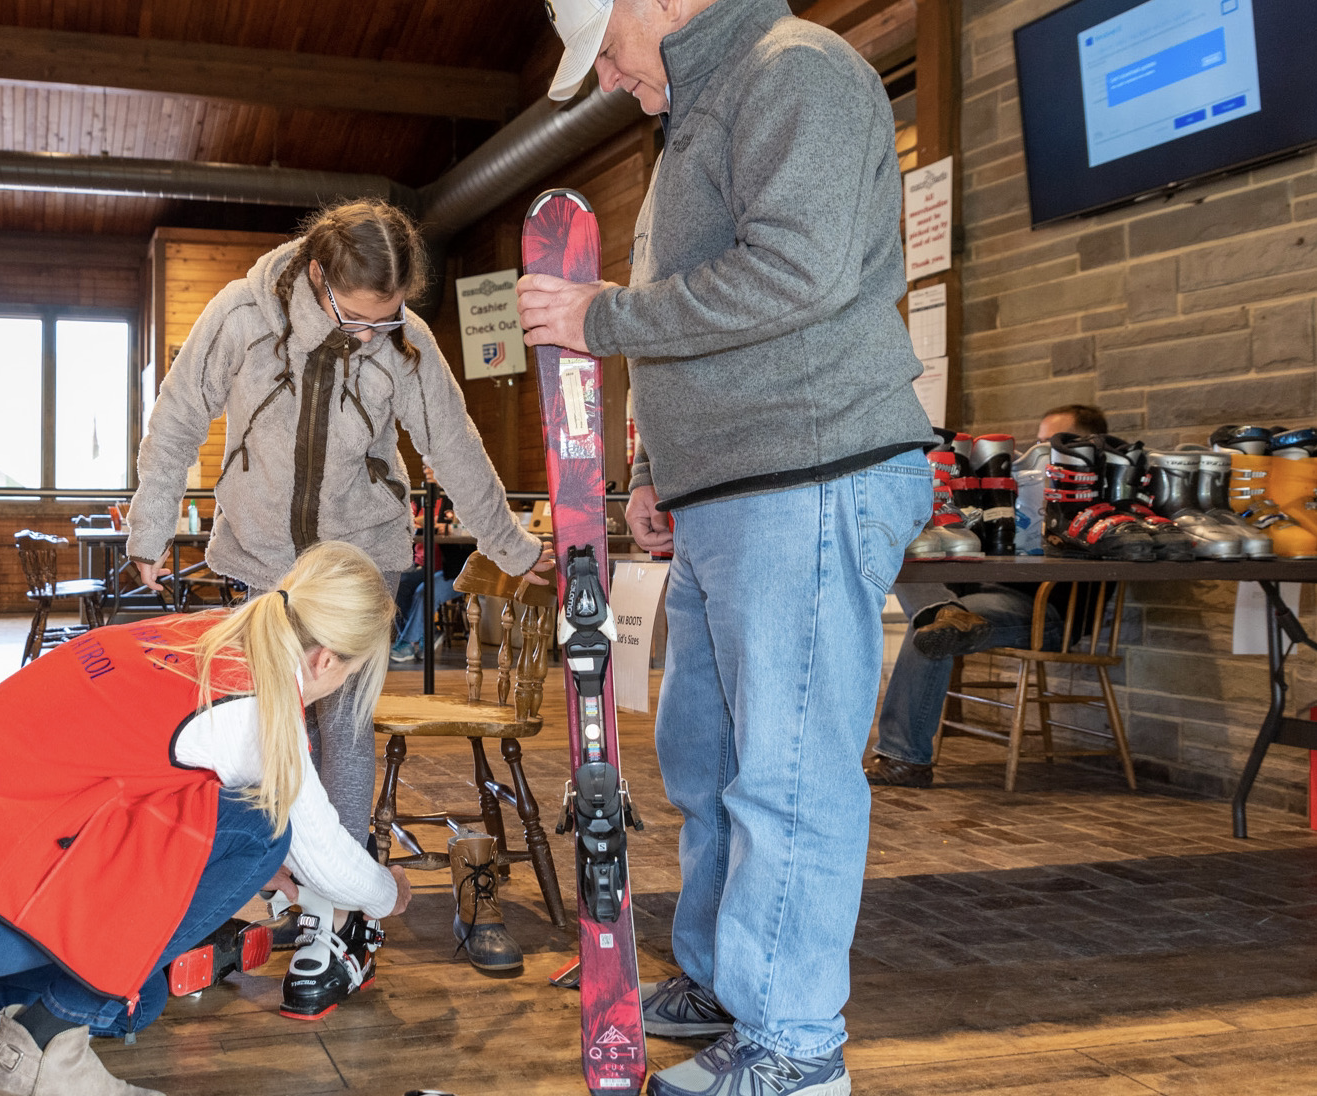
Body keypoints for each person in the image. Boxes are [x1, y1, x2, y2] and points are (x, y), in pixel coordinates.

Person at [519, 2, 935, 1093]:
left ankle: (794, 1050)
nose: (608, 78)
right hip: (728, 490)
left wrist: (598, 319)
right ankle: (722, 983)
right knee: (706, 759)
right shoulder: (696, 114)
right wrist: (656, 467)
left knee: (787, 776)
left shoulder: (794, 71)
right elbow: (696, 318)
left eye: (606, 50)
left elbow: (793, 274)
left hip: (806, 470)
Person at [0, 541, 411, 1096]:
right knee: (263, 831)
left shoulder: (195, 635)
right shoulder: (255, 709)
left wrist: (250, 872)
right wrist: (390, 894)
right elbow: (326, 857)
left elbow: (141, 790)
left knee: (138, 996)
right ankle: (47, 1052)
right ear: (327, 660)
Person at [124, 199, 549, 976]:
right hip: (257, 556)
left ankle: (341, 908)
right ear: (318, 277)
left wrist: (513, 547)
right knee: (261, 727)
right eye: (356, 317)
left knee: (345, 730)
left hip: (362, 560)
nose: (371, 334)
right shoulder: (242, 315)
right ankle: (283, 886)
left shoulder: (407, 343)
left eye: (387, 319)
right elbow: (179, 417)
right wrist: (149, 529)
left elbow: (454, 448)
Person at [866, 405, 1109, 788]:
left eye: (1051, 443)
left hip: (1044, 609)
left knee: (928, 631)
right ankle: (943, 610)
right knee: (906, 552)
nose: (1042, 451)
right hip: (980, 594)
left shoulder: (1088, 493)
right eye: (1041, 441)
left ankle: (905, 759)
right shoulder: (1025, 484)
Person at [391, 465, 466, 662]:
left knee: (424, 592)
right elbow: (412, 522)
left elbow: (463, 528)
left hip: (454, 570)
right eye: (425, 465)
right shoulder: (422, 496)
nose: (427, 469)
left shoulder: (457, 497)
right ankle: (429, 633)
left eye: (433, 464)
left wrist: (442, 526)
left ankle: (408, 642)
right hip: (426, 566)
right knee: (397, 585)